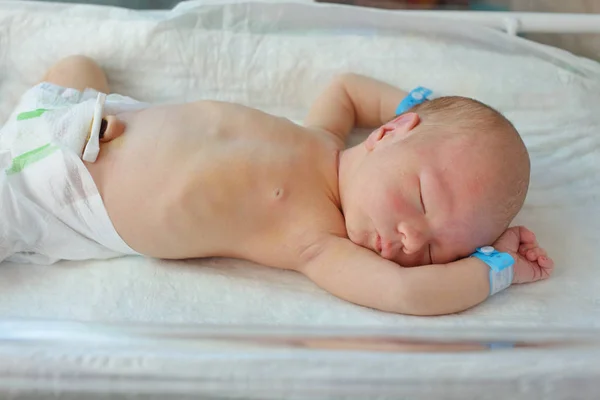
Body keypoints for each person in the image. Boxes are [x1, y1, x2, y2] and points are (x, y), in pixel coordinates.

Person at [0, 55, 554, 315]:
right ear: (388, 133)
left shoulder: (315, 241)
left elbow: (406, 294)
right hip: (84, 112)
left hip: (53, 198)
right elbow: (348, 87)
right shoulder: (323, 136)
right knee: (78, 63)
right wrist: (422, 110)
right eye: (421, 201)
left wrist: (493, 269)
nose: (411, 239)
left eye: (434, 249)